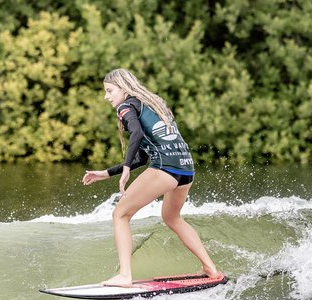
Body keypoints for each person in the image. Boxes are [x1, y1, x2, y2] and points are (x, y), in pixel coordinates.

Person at [82, 68, 219, 287]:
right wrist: (107, 173)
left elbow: (135, 135)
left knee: (120, 214)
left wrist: (126, 167)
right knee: (172, 217)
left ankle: (125, 275)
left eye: (109, 91)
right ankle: (210, 268)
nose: (107, 97)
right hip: (185, 169)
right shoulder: (154, 105)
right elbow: (143, 156)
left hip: (165, 168)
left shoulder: (125, 107)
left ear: (123, 88)